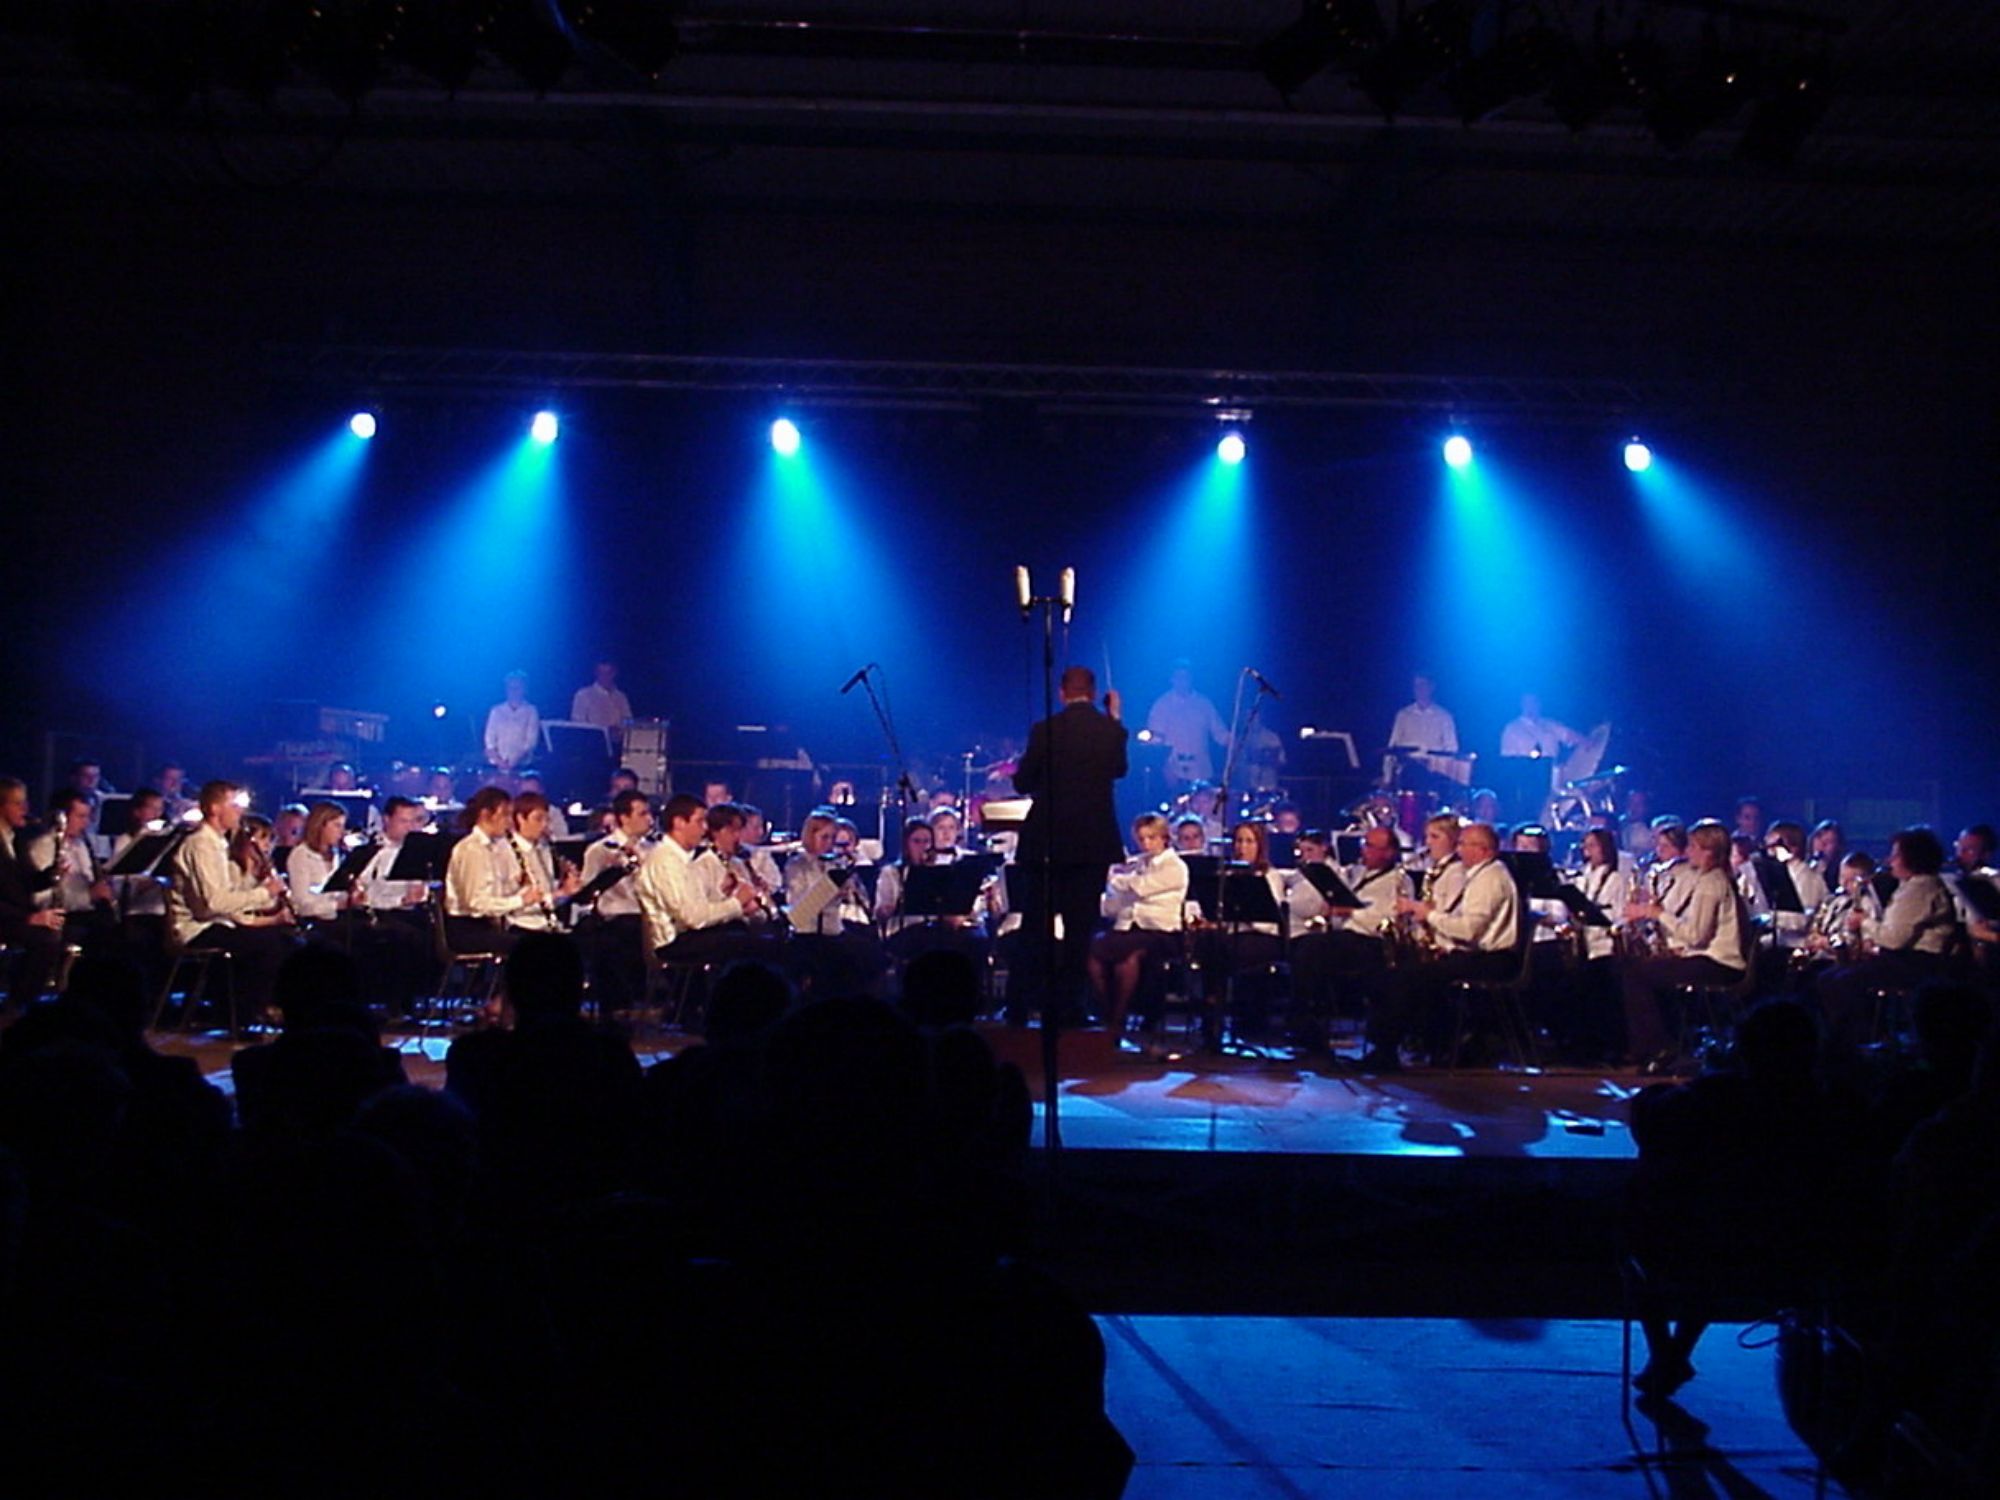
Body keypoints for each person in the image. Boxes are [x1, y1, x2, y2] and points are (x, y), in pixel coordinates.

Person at [1011, 665, 1128, 1026]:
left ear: (1062, 693)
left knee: (1034, 926)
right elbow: (1119, 770)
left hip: (1046, 840)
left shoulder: (1045, 729)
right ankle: (1070, 1008)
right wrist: (1114, 718)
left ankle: (1019, 1007)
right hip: (1091, 844)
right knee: (1080, 929)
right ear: (1093, 693)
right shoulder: (1109, 730)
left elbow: (1022, 783)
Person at [1364, 821, 1521, 1070]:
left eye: (1463, 844)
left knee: (1410, 977)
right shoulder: (1482, 875)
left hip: (1493, 960)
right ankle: (1427, 1044)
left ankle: (1387, 1050)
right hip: (1478, 955)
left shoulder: (1490, 879)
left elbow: (1469, 931)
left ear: (1483, 850)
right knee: (1403, 973)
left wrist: (1429, 915)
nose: (1459, 850)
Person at [1620, 820, 1752, 1070]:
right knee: (1646, 969)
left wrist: (1657, 913)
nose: (1687, 851)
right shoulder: (1710, 879)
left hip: (1720, 964)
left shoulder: (1711, 883)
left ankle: (1658, 1047)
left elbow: (1696, 936)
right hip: (1709, 958)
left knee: (1637, 973)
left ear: (1708, 852)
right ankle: (1666, 1042)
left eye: (1693, 846)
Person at [1814, 827, 1962, 1051]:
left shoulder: (1920, 889)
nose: (1889, 860)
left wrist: (1864, 922)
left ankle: (1856, 1041)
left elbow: (1893, 939)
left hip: (1917, 962)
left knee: (1839, 982)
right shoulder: (1911, 887)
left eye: (1896, 855)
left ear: (1913, 858)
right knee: (1829, 977)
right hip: (1905, 958)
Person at [164, 781, 299, 1019]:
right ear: (214, 808)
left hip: (218, 922)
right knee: (269, 945)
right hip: (197, 928)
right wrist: (264, 893)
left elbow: (230, 896)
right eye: (234, 805)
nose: (240, 811)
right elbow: (213, 903)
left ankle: (254, 1010)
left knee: (287, 941)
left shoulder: (218, 843)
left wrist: (271, 898)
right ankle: (243, 1015)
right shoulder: (201, 844)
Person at [1288, 824, 1409, 1053]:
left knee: (1311, 949)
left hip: (1371, 943)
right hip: (1347, 937)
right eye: (1364, 844)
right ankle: (1305, 1020)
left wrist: (1350, 912)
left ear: (1389, 852)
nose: (1364, 851)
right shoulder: (1358, 874)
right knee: (1303, 944)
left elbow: (1384, 919)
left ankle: (1304, 1021)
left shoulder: (1398, 881)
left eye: (1371, 846)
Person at [1086, 814, 1188, 1048]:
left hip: (1161, 931)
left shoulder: (1175, 867)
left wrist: (1117, 879)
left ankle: (1116, 1020)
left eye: (1151, 838)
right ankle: (1110, 1014)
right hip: (1131, 929)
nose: (1146, 844)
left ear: (1164, 838)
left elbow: (1141, 888)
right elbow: (1113, 905)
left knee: (1124, 955)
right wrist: (1118, 885)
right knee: (1098, 954)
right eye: (1141, 839)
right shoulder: (1139, 864)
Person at [635, 793, 764, 968]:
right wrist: (737, 903)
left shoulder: (682, 859)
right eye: (699, 821)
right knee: (750, 946)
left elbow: (698, 909)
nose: (705, 829)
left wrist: (726, 898)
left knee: (742, 931)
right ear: (679, 823)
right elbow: (694, 918)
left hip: (689, 935)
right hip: (672, 943)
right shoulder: (666, 860)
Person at [577, 788, 654, 1017]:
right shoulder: (601, 850)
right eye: (642, 814)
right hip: (614, 916)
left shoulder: (653, 849)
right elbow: (586, 892)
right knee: (618, 935)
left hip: (648, 914)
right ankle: (620, 1007)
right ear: (624, 817)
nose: (649, 819)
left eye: (649, 813)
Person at [442, 786, 545, 956]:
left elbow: (496, 894)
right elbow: (476, 903)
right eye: (505, 815)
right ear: (485, 815)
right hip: (467, 929)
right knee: (531, 948)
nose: (509, 822)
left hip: (489, 925)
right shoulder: (472, 849)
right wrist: (520, 900)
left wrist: (520, 887)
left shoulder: (495, 848)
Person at [0, 777, 67, 1004]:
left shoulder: (15, 839)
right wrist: (29, 918)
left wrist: (52, 874)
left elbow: (27, 882)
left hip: (16, 916)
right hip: (6, 917)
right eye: (18, 803)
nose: (25, 809)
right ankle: (18, 1005)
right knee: (44, 940)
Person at [26, 787, 115, 950]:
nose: (86, 823)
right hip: (62, 921)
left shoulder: (82, 845)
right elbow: (40, 900)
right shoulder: (43, 847)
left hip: (86, 916)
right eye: (80, 817)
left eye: (88, 816)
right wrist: (89, 896)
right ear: (62, 818)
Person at [1143, 660, 1229, 791]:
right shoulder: (1162, 705)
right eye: (1178, 677)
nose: (1182, 681)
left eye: (1186, 677)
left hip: (1201, 771)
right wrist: (1165, 767)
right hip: (1174, 771)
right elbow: (1154, 739)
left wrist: (1233, 741)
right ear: (1172, 679)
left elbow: (1219, 732)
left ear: (1191, 679)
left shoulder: (1204, 704)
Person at [1385, 673, 1460, 786]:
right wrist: (1387, 777)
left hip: (1434, 773)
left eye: (1423, 685)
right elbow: (1392, 746)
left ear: (1431, 687)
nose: (1420, 689)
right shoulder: (1403, 715)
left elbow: (1451, 749)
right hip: (1407, 771)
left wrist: (1445, 772)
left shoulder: (1444, 716)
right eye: (1416, 686)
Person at [483, 670, 541, 774]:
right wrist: (500, 762)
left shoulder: (531, 711)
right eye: (510, 688)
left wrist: (514, 762)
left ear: (524, 689)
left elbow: (531, 743)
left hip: (521, 767)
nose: (513, 691)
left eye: (517, 688)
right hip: (497, 766)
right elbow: (489, 741)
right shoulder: (496, 711)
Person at [1499, 692, 1581, 760]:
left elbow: (1569, 735)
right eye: (1527, 703)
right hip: (1526, 770)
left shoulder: (1551, 724)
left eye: (1534, 702)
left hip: (1552, 769)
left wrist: (1585, 742)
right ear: (1521, 705)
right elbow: (1508, 759)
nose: (1531, 706)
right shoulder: (1512, 729)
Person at [569, 659, 633, 745]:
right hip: (593, 745)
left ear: (614, 673)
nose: (605, 677)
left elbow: (629, 721)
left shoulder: (621, 697)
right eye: (601, 673)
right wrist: (604, 731)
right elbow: (578, 725)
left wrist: (620, 729)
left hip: (619, 745)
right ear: (596, 673)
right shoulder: (583, 695)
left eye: (608, 673)